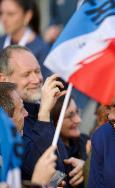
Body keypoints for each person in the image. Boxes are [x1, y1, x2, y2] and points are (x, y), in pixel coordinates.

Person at [0, 45, 83, 187]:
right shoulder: (9, 123)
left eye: (37, 71)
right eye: (26, 74)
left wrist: (82, 167)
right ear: (3, 79)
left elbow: (60, 170)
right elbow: (47, 176)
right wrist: (44, 114)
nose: (36, 79)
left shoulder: (39, 108)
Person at [0, 81, 57, 186]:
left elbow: (56, 178)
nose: (26, 113)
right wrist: (38, 183)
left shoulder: (10, 152)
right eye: (21, 109)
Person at [0, 0, 51, 78]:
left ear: (28, 16)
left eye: (10, 14)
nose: (4, 19)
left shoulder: (41, 50)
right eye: (1, 13)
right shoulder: (1, 41)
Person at [51, 95, 87, 187]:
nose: (78, 120)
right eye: (70, 115)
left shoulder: (87, 142)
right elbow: (51, 185)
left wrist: (87, 167)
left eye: (77, 112)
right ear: (55, 121)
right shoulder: (49, 152)